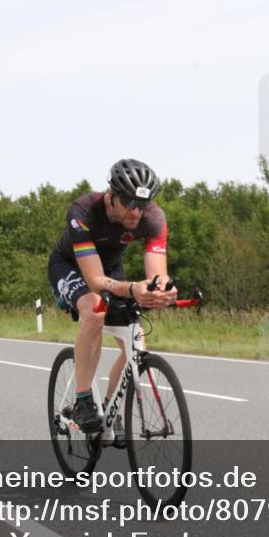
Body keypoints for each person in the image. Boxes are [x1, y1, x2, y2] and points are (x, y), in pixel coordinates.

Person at [48, 159, 177, 437]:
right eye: (129, 202)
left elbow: (157, 273)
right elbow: (94, 281)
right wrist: (132, 289)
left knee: (135, 337)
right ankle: (83, 400)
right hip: (70, 265)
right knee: (94, 310)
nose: (136, 212)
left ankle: (109, 408)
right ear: (112, 195)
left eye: (142, 205)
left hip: (110, 267)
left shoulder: (153, 218)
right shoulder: (83, 210)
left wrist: (162, 289)